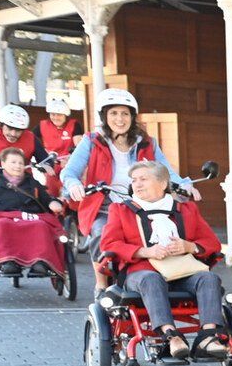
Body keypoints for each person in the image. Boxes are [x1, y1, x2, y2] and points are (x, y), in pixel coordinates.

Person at [98, 161, 228, 362]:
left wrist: (189, 246)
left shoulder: (186, 210)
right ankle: (171, 336)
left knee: (209, 278)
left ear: (163, 183)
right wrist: (144, 251)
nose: (137, 184)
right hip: (141, 272)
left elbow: (212, 243)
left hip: (181, 271)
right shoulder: (121, 210)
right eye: (134, 180)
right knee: (151, 279)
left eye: (144, 179)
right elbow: (109, 243)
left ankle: (207, 338)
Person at [62, 89, 191, 270]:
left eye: (125, 113)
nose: (120, 119)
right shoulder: (92, 141)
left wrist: (185, 185)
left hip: (143, 205)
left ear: (132, 117)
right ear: (104, 116)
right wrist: (74, 184)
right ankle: (101, 285)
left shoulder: (147, 143)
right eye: (113, 113)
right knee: (101, 233)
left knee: (169, 231)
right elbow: (69, 173)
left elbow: (167, 173)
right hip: (105, 206)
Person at [0, 147, 65, 219]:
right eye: (13, 162)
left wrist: (53, 202)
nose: (18, 166)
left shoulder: (31, 182)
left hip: (30, 221)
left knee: (42, 228)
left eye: (21, 163)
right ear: (3, 163)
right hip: (1, 222)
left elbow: (46, 199)